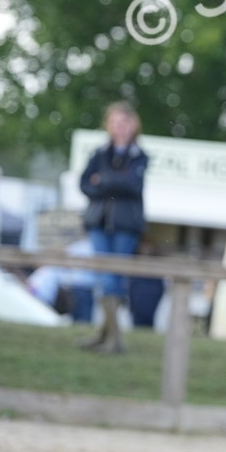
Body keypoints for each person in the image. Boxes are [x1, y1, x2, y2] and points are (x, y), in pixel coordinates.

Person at [79, 102, 148, 354]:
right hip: (99, 222)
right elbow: (85, 183)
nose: (120, 127)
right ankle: (112, 338)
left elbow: (132, 185)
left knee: (114, 279)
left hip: (125, 226)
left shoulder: (139, 156)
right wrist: (112, 182)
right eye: (115, 122)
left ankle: (109, 337)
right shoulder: (99, 154)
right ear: (108, 125)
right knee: (106, 277)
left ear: (133, 125)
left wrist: (104, 180)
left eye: (125, 122)